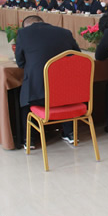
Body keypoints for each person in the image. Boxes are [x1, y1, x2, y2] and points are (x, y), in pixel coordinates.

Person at [15, 15, 80, 145]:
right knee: (63, 93)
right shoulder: (65, 33)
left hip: (37, 94)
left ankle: (29, 139)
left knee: (26, 95)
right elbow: (77, 55)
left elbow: (20, 62)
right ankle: (70, 133)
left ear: (26, 26)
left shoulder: (23, 33)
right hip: (65, 93)